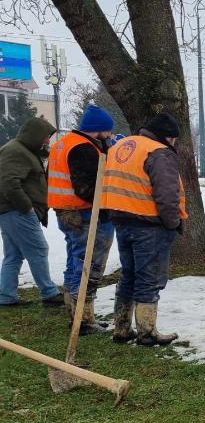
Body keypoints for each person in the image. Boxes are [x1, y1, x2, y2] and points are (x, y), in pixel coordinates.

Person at [102, 113, 187, 345]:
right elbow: (167, 196)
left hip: (122, 221)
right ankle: (147, 333)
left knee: (128, 274)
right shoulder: (159, 152)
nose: (175, 144)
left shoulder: (122, 145)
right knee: (149, 279)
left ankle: (121, 328)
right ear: (168, 137)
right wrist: (174, 223)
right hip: (150, 225)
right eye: (174, 139)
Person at [48, 105, 117, 333]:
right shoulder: (83, 149)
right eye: (107, 131)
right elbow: (87, 188)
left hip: (67, 212)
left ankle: (75, 314)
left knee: (74, 262)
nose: (109, 136)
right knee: (88, 265)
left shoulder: (62, 144)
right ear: (97, 130)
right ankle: (84, 319)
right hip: (86, 213)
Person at [0, 116, 62, 307]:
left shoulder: (22, 150)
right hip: (17, 212)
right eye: (46, 136)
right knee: (38, 249)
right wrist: (27, 208)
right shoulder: (16, 151)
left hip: (11, 212)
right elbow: (9, 183)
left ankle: (6, 295)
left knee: (14, 255)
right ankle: (49, 293)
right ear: (35, 135)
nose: (47, 141)